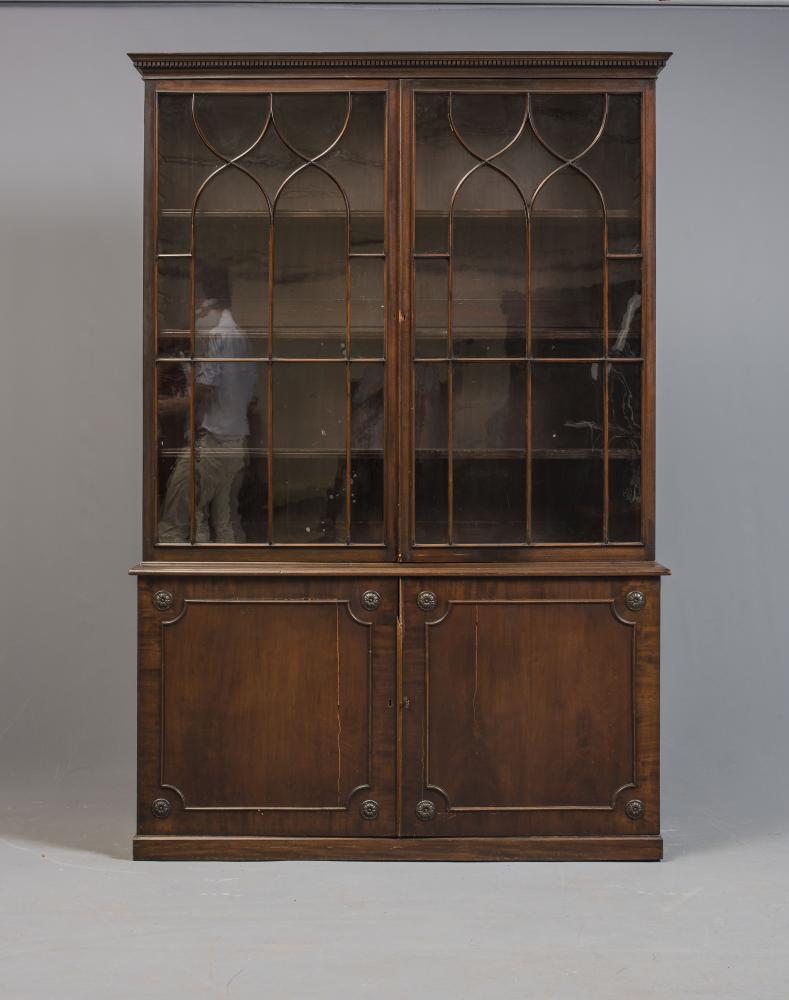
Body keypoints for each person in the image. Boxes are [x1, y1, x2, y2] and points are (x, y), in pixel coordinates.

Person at [158, 267, 258, 543]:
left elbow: (207, 387)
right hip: (236, 444)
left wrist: (167, 404)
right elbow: (245, 390)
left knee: (176, 523)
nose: (193, 318)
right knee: (222, 522)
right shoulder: (242, 338)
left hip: (214, 444)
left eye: (196, 310)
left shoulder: (218, 335)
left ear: (208, 304)